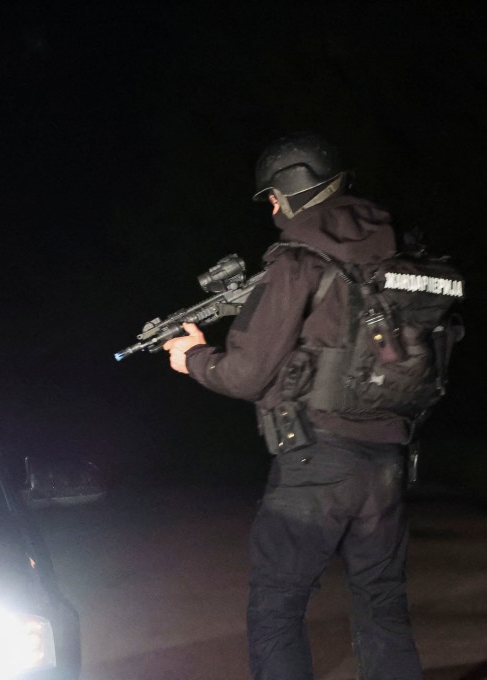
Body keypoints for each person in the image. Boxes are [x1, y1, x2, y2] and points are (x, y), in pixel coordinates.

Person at [162, 133, 422, 679]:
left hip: (317, 458)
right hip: (389, 459)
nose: (273, 209)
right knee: (382, 604)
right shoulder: (395, 251)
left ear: (295, 189)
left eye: (274, 198)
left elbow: (246, 372)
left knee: (277, 606)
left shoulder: (300, 257)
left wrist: (194, 358)